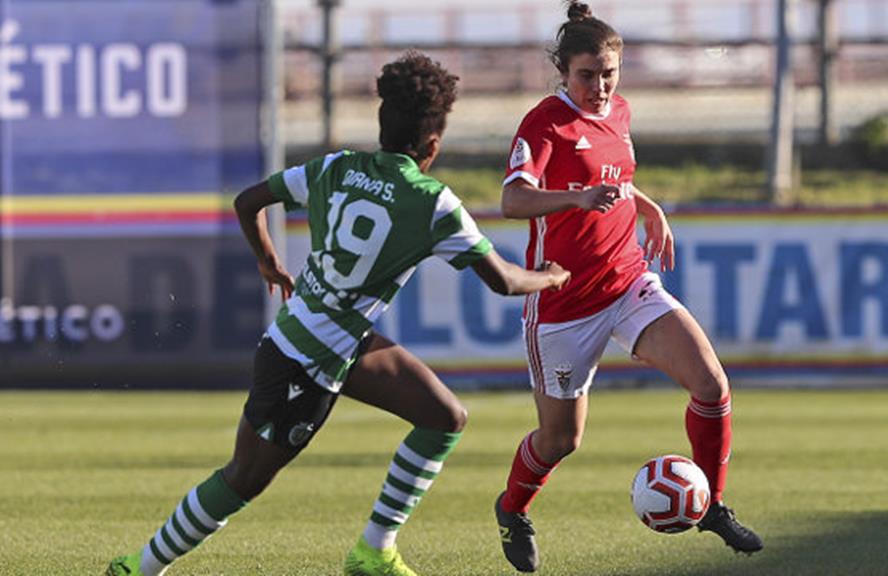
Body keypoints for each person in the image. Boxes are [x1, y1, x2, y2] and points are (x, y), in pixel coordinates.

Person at [106, 51, 570, 576]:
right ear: (433, 146)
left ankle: (374, 551)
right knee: (245, 478)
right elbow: (506, 280)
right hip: (304, 363)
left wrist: (270, 264)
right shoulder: (432, 203)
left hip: (333, 340)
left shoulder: (335, 167)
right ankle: (138, 567)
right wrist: (553, 276)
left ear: (382, 125)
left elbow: (247, 201)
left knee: (443, 417)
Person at [493, 2, 763, 572]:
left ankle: (711, 504)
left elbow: (615, 179)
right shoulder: (546, 123)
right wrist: (575, 198)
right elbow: (513, 200)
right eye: (587, 75)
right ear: (564, 72)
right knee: (561, 440)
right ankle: (512, 509)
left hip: (627, 281)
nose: (599, 85)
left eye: (608, 73)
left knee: (712, 385)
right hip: (563, 303)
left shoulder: (619, 112)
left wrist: (649, 206)